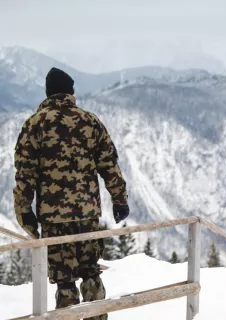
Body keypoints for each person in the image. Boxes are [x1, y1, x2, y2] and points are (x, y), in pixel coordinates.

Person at [13, 67, 130, 318]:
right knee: (90, 271)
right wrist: (120, 200)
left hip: (54, 219)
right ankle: (97, 316)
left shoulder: (35, 124)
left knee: (64, 280)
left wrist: (24, 212)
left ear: (48, 93)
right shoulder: (89, 122)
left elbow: (25, 174)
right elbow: (109, 165)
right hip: (87, 215)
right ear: (70, 92)